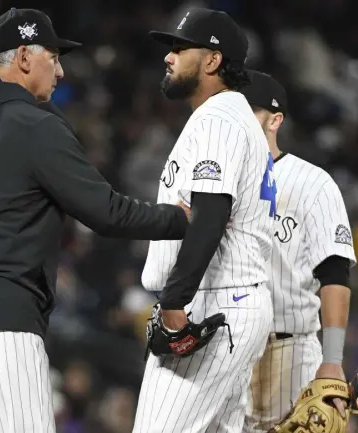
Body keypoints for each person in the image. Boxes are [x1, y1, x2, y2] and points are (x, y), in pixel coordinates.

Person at [0, 7, 190, 433]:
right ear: (23, 57)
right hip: (1, 318)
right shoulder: (34, 126)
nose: (61, 72)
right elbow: (106, 212)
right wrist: (179, 219)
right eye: (53, 58)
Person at [133, 8, 278, 433]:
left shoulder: (218, 120)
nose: (168, 56)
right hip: (232, 301)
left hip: (216, 306)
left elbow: (212, 215)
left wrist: (175, 302)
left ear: (213, 60)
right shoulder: (231, 119)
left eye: (180, 47)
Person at [238, 70, 356, 432]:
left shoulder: (312, 182)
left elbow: (335, 272)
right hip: (230, 350)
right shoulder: (216, 183)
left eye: (249, 112)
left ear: (275, 121)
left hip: (291, 349)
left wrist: (333, 360)